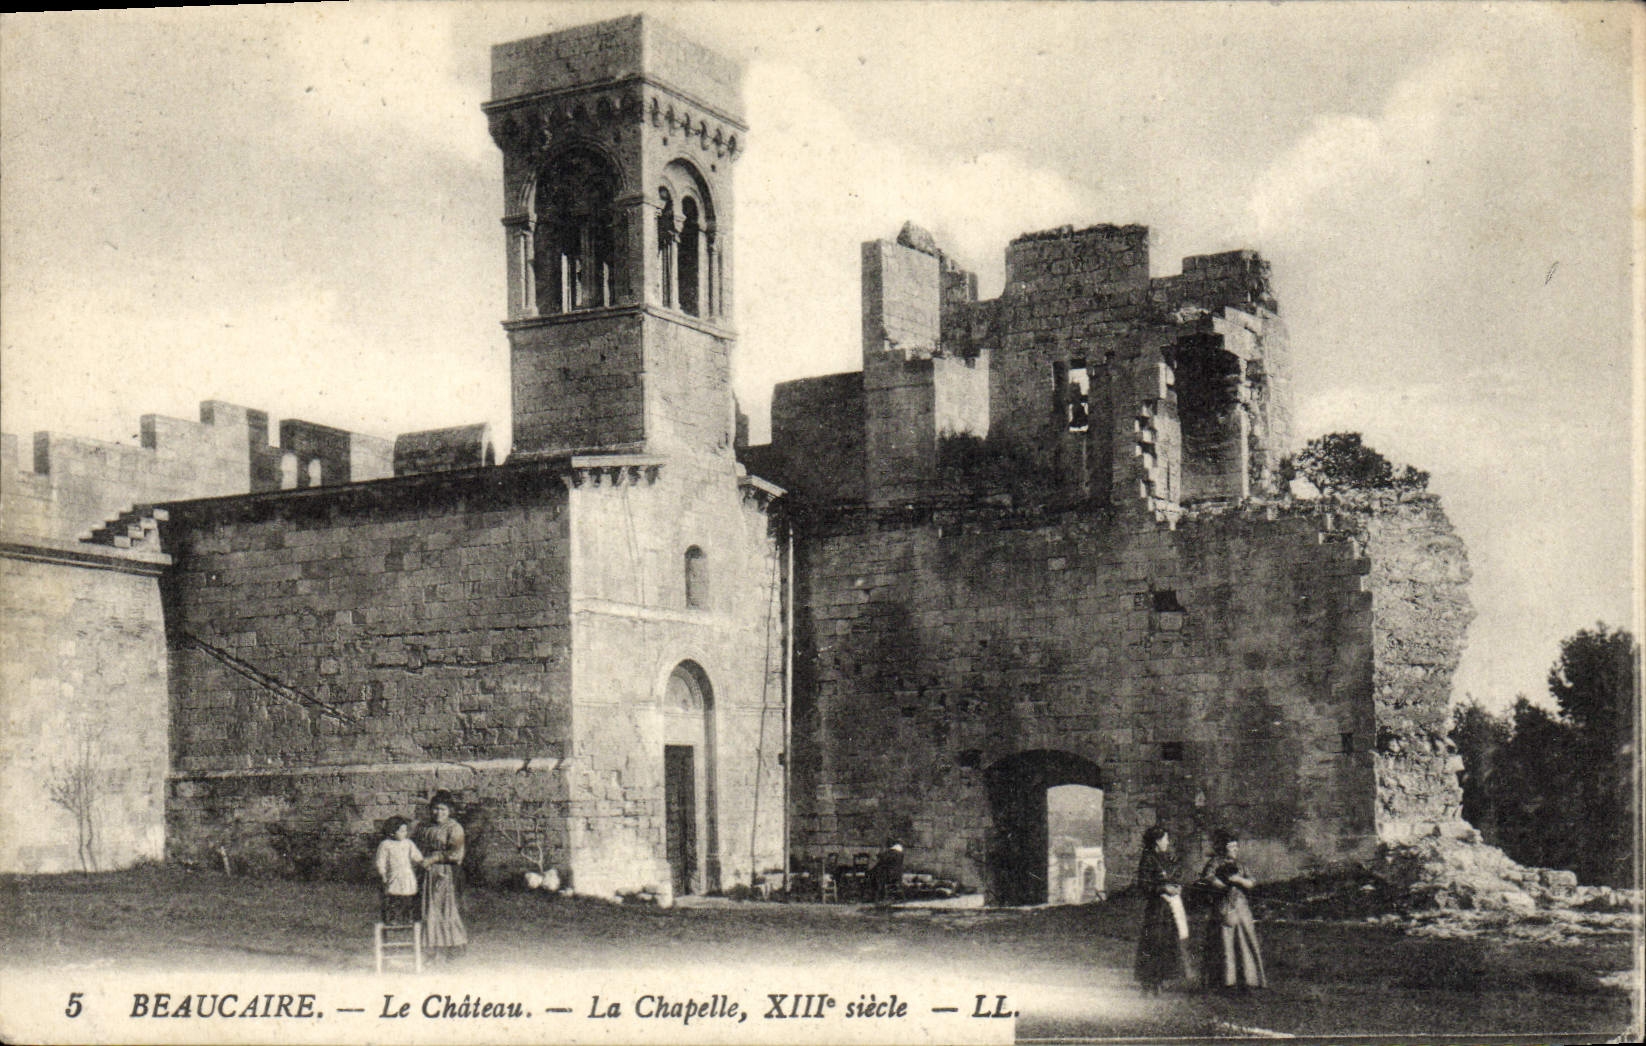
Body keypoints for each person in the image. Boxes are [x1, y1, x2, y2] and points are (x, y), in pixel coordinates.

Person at [1197, 830, 1266, 990]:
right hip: (1224, 906)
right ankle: (1226, 981)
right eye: (1232, 847)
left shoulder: (1240, 866)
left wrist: (1238, 880)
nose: (1236, 849)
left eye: (1236, 846)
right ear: (1224, 848)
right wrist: (1222, 884)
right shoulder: (1215, 863)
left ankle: (1248, 980)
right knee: (1224, 942)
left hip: (1242, 908)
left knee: (1245, 941)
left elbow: (1252, 882)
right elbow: (1208, 877)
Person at [1134, 825, 1190, 994]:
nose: (1167, 842)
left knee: (1166, 943)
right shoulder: (1148, 858)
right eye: (1165, 839)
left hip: (1169, 909)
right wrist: (1163, 889)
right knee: (1153, 942)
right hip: (1156, 909)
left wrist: (1177, 886)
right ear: (1157, 841)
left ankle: (1159, 980)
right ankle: (1148, 981)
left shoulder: (1166, 857)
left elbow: (1175, 875)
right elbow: (1144, 885)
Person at [418, 791, 468, 961]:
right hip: (427, 874)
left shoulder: (454, 828)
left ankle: (454, 947)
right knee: (429, 910)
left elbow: (456, 853)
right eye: (435, 809)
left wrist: (435, 858)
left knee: (446, 909)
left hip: (447, 874)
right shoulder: (425, 827)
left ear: (449, 811)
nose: (438, 813)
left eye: (442, 809)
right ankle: (431, 948)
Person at [374, 816, 424, 926]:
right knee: (394, 898)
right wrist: (383, 873)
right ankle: (393, 918)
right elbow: (380, 860)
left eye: (405, 830)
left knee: (408, 897)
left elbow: (416, 855)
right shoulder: (385, 845)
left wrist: (422, 862)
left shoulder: (408, 843)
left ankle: (408, 918)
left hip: (407, 875)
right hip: (394, 875)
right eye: (401, 831)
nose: (404, 833)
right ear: (392, 832)